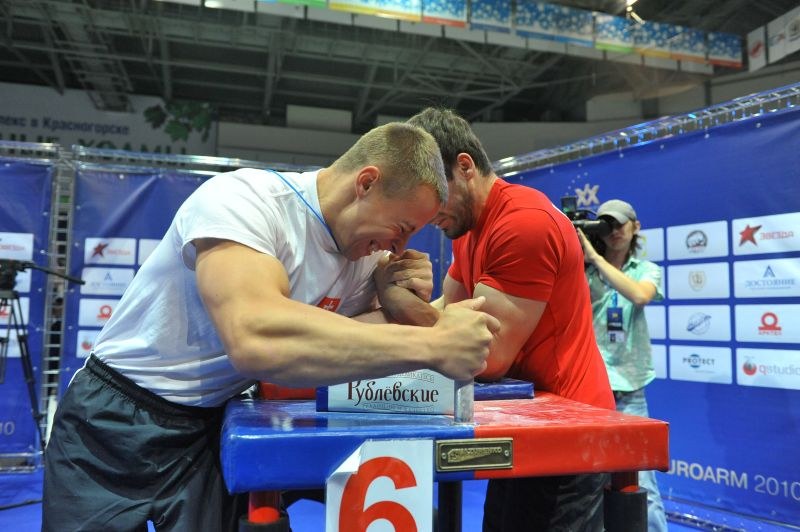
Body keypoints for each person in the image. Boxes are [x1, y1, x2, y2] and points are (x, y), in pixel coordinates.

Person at [42, 122, 500, 531]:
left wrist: (400, 304)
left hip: (209, 426)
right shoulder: (247, 202)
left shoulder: (367, 260)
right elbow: (256, 337)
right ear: (366, 183)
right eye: (400, 227)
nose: (399, 246)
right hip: (115, 415)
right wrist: (433, 343)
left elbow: (341, 339)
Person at [407, 108, 614, 531]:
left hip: (570, 431)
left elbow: (485, 356)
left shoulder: (522, 224)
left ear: (464, 167)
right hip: (526, 418)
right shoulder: (467, 230)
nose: (427, 213)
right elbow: (441, 315)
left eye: (433, 192)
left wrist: (410, 325)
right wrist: (400, 310)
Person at [578, 199, 668, 532]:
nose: (614, 231)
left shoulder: (646, 269)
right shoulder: (583, 273)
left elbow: (640, 296)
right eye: (606, 225)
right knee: (588, 485)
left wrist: (595, 258)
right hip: (590, 391)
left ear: (635, 226)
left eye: (620, 224)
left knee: (643, 484)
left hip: (630, 389)